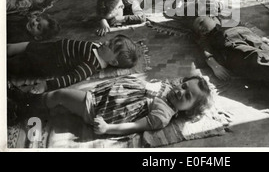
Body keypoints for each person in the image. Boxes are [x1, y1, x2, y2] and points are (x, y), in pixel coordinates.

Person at [13, 75, 213, 136]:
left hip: (102, 109)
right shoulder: (170, 87)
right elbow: (182, 79)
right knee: (65, 100)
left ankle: (25, 107)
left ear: (188, 110)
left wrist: (108, 128)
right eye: (184, 86)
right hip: (104, 96)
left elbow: (136, 126)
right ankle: (28, 102)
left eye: (187, 96)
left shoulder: (164, 113)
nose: (180, 91)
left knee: (60, 95)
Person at [7, 34, 139, 93]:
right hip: (49, 47)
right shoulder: (99, 47)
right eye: (110, 40)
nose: (106, 42)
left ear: (113, 61)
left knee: (13, 65)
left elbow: (70, 79)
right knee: (14, 47)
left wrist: (46, 85)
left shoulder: (90, 66)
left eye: (110, 45)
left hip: (45, 62)